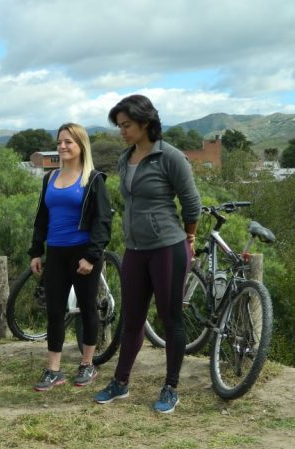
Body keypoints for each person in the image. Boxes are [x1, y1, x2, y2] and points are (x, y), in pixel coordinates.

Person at [95, 94, 201, 414]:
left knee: (170, 319)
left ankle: (171, 387)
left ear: (145, 123)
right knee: (132, 318)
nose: (122, 132)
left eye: (126, 125)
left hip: (168, 248)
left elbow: (191, 203)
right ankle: (120, 382)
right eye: (119, 126)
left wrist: (190, 237)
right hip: (135, 251)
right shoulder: (124, 158)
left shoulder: (171, 157)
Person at [28, 123, 112, 391]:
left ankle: (87, 364)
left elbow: (102, 221)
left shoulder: (93, 179)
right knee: (54, 311)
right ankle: (53, 370)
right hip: (56, 252)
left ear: (80, 146)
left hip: (83, 253)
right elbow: (42, 217)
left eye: (68, 142)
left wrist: (91, 256)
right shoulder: (49, 178)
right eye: (59, 142)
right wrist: (36, 251)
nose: (62, 147)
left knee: (87, 308)